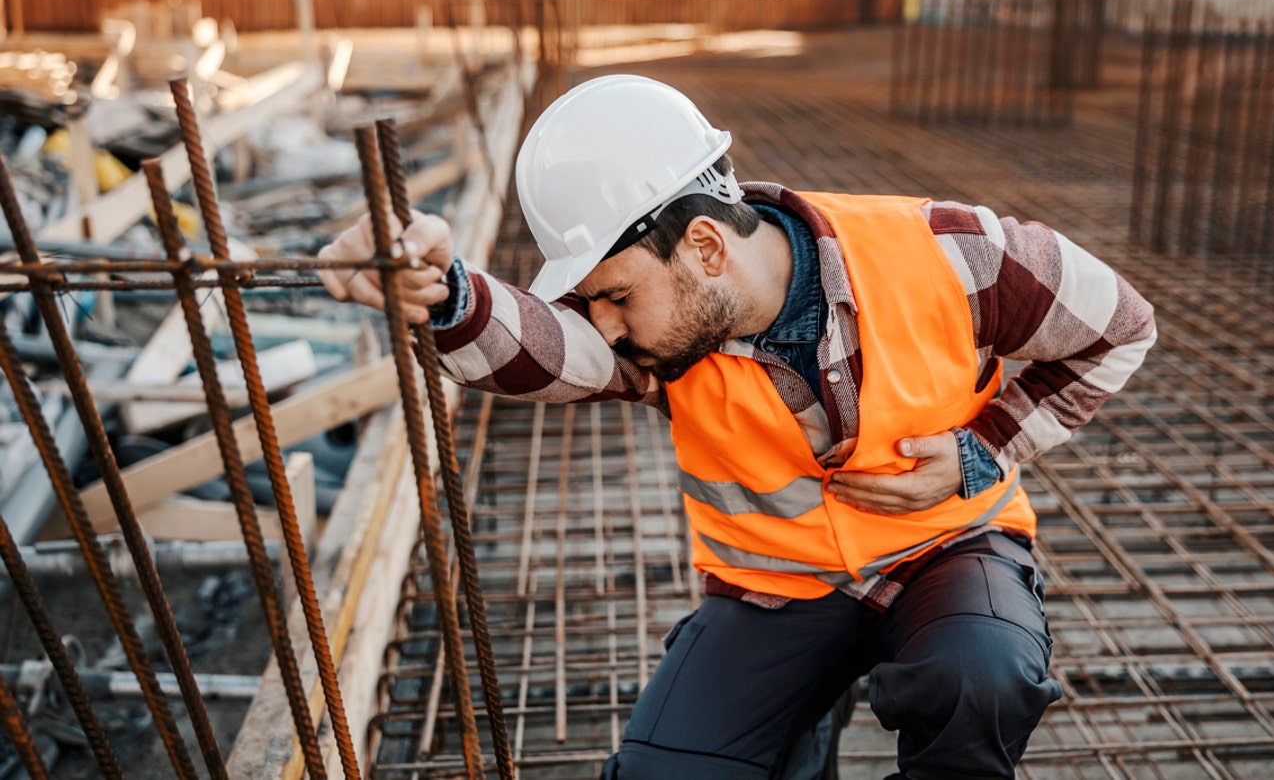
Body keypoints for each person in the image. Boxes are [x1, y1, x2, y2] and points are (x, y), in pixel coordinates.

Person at [319, 74, 1156, 780]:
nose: (605, 323)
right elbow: (551, 349)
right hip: (774, 587)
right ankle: (802, 727)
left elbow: (1121, 324)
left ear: (707, 248)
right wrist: (451, 297)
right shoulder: (669, 334)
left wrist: (981, 454)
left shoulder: (950, 254)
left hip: (943, 547)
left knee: (981, 677)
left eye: (615, 295)